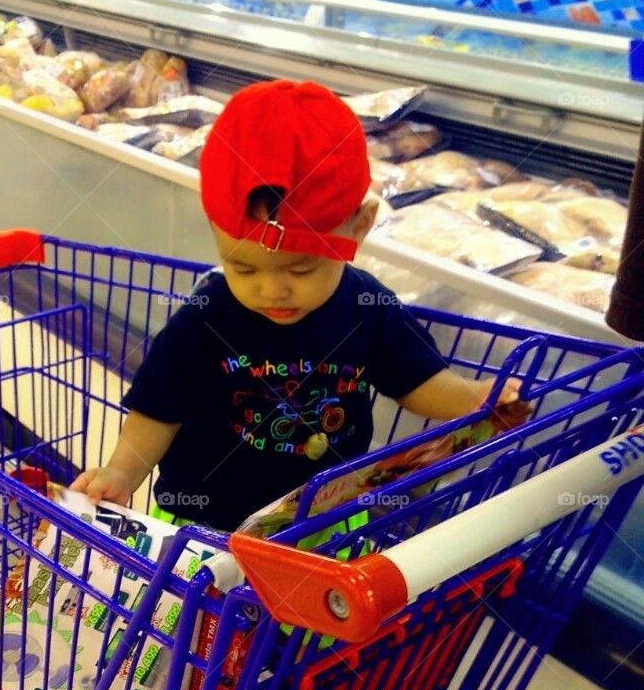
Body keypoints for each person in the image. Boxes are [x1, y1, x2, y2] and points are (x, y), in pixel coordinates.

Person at [71, 81, 523, 532]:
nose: (271, 290)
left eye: (301, 271)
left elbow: (417, 382)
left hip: (325, 522)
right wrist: (121, 473)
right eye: (243, 269)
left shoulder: (367, 307)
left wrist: (475, 399)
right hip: (203, 522)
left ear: (360, 227)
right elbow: (158, 409)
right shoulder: (207, 316)